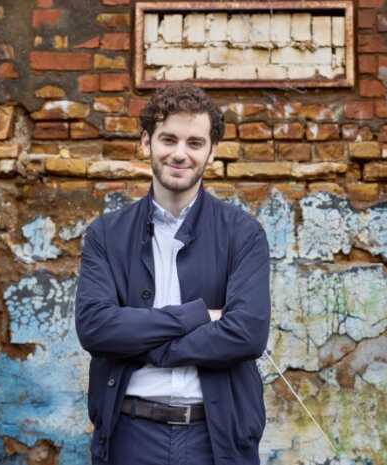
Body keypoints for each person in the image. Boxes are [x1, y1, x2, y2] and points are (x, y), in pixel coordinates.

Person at [75, 83, 271, 465]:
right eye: (169, 139)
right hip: (130, 434)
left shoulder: (243, 234)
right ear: (146, 142)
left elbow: (247, 333)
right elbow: (95, 327)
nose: (180, 154)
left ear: (212, 151)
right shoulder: (107, 234)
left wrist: (152, 346)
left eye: (195, 143)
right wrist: (196, 315)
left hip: (214, 438)